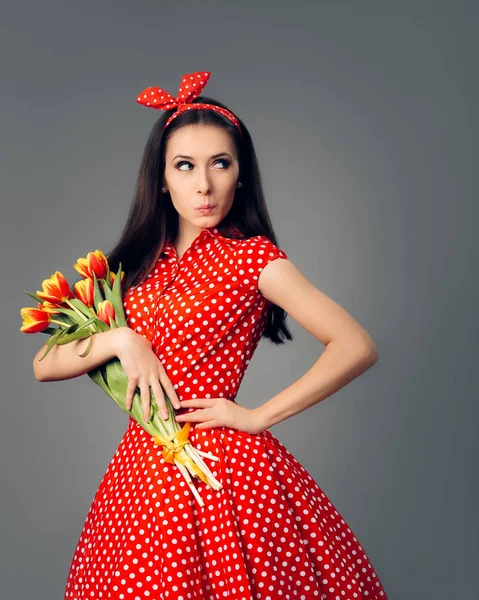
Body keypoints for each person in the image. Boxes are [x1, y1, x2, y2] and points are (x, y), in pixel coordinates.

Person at [34, 71, 388, 599]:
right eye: (185, 166)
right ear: (161, 179)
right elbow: (45, 362)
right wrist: (122, 341)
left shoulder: (254, 259)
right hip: (139, 479)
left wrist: (257, 416)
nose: (204, 184)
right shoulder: (133, 268)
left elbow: (357, 345)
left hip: (223, 475)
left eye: (220, 163)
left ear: (240, 174)